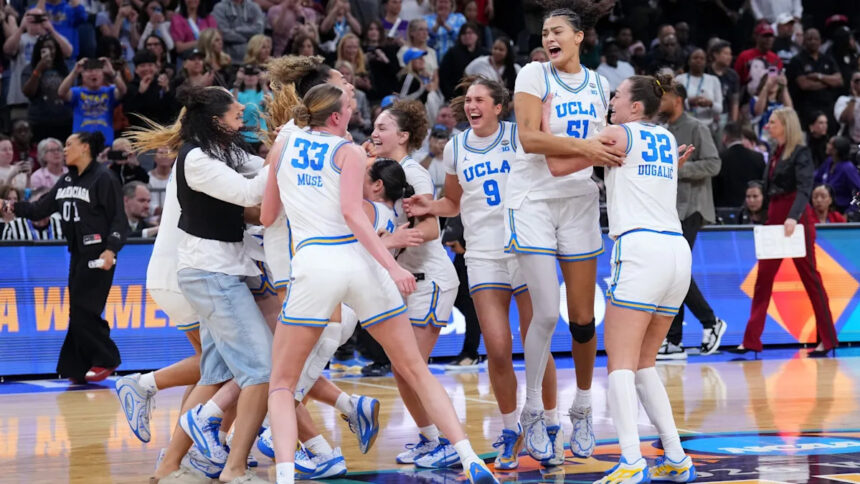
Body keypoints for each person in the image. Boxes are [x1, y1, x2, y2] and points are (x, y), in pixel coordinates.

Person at [260, 83, 497, 484]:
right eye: (350, 108)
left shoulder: (282, 148)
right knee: (415, 370)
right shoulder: (348, 152)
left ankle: (285, 476)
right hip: (358, 265)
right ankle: (469, 456)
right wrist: (392, 266)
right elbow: (354, 215)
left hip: (315, 264)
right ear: (336, 117)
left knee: (281, 384)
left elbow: (267, 216)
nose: (355, 116)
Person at [404, 76, 560, 469]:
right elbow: (454, 204)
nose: (471, 106)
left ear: (498, 106)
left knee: (536, 342)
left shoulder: (518, 135)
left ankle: (550, 425)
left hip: (527, 244)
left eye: (479, 100)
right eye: (467, 100)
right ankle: (511, 430)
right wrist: (429, 204)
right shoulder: (456, 146)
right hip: (484, 254)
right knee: (497, 347)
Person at [135, 87, 271, 483]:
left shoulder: (223, 151)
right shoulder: (195, 158)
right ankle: (233, 467)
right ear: (215, 120)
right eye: (235, 112)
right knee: (261, 371)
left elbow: (258, 164)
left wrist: (281, 154)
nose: (242, 115)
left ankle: (169, 465)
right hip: (210, 276)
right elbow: (249, 191)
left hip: (220, 273)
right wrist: (282, 156)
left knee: (215, 375)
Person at [507, 0, 619, 465]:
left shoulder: (599, 83)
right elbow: (530, 140)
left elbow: (604, 151)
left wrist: (589, 150)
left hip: (578, 201)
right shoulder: (533, 76)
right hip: (531, 201)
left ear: (579, 38)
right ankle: (532, 410)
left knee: (582, 321)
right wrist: (587, 147)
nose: (548, 38)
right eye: (544, 32)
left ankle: (584, 408)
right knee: (546, 315)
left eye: (557, 31)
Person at [587, 73, 697, 484]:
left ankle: (631, 460)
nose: (611, 100)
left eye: (617, 95)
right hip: (675, 251)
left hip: (640, 249)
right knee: (644, 362)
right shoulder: (666, 139)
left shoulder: (616, 133)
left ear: (635, 107)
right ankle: (676, 456)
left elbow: (564, 160)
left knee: (619, 363)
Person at [366, 99, 462, 467]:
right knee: (403, 369)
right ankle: (430, 438)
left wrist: (388, 238)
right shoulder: (380, 170)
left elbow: (431, 228)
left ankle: (451, 441)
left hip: (430, 280)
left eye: (383, 128)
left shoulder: (414, 175)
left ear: (403, 136)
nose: (375, 133)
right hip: (407, 283)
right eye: (374, 127)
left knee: (413, 369)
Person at [2, 131, 126, 383]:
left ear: (85, 147)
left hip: (98, 253)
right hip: (77, 253)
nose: (65, 150)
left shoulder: (104, 178)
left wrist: (111, 250)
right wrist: (12, 206)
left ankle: (107, 358)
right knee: (77, 310)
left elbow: (119, 219)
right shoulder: (66, 179)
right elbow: (40, 209)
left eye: (69, 145)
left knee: (85, 309)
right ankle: (75, 367)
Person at [731, 107, 838, 357]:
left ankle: (828, 340)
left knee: (811, 279)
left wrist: (792, 217)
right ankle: (751, 340)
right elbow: (770, 190)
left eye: (774, 122)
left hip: (796, 218)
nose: (768, 126)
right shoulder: (775, 153)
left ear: (786, 125)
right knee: (763, 279)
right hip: (775, 218)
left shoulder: (800, 153)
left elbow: (804, 188)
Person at [657, 81, 727, 359]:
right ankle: (674, 341)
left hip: (692, 208)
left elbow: (714, 163)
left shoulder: (697, 127)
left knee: (676, 272)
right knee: (673, 273)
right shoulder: (662, 129)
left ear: (678, 99)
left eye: (663, 97)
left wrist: (679, 167)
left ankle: (711, 322)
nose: (659, 101)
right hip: (670, 209)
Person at [4, 8, 73, 108]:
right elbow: (8, 49)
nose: (36, 22)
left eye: (39, 18)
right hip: (20, 98)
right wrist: (21, 28)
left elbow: (68, 52)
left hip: (47, 100)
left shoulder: (52, 41)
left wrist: (51, 29)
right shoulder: (20, 38)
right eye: (31, 18)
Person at [59, 57, 126, 146]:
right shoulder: (77, 92)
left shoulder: (110, 91)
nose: (93, 73)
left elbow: (123, 91)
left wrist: (111, 72)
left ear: (102, 74)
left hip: (105, 144)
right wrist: (74, 72)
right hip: (82, 145)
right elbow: (61, 93)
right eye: (89, 71)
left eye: (97, 70)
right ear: (82, 75)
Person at [786, 28, 842, 127]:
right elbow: (804, 85)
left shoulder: (827, 58)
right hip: (806, 107)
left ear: (820, 41)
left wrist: (819, 77)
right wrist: (828, 83)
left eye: (816, 39)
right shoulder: (797, 60)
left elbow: (839, 80)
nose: (813, 42)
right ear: (804, 41)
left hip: (827, 106)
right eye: (809, 39)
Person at [22, 35, 72, 143]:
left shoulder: (63, 68)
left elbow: (71, 91)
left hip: (64, 120)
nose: (49, 52)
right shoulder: (29, 69)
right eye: (45, 48)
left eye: (52, 48)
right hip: (39, 121)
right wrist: (38, 70)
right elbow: (28, 92)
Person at [713, 122, 766, 208]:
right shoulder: (758, 157)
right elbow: (763, 184)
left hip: (725, 209)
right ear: (741, 137)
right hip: (753, 209)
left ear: (725, 137)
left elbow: (715, 188)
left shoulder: (720, 158)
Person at [123, 50, 178, 128]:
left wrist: (167, 91)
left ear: (156, 67)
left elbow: (173, 112)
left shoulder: (162, 84)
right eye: (142, 66)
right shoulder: (131, 87)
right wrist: (140, 93)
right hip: (140, 132)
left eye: (150, 65)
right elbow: (130, 115)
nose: (147, 69)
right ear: (136, 69)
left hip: (161, 130)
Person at [675, 48, 722, 130]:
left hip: (707, 126)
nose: (698, 61)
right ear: (689, 61)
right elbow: (674, 103)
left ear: (706, 62)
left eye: (702, 58)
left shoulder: (713, 80)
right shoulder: (680, 79)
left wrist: (710, 103)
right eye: (695, 58)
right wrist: (689, 102)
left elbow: (719, 109)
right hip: (684, 125)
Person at [437, 22, 485, 100]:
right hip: (457, 96)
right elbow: (444, 77)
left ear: (477, 35)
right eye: (464, 33)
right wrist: (451, 97)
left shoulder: (485, 54)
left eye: (470, 33)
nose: (467, 36)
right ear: (460, 36)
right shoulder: (452, 53)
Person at [814, 136, 860, 213]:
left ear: (836, 150)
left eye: (830, 144)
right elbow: (816, 178)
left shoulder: (847, 168)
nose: (827, 145)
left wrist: (850, 212)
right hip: (825, 210)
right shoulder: (829, 161)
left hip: (842, 211)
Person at [735, 22, 783, 87]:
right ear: (756, 37)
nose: (768, 39)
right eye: (765, 36)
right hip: (747, 94)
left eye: (771, 36)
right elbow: (736, 79)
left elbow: (775, 81)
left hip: (768, 94)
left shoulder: (775, 59)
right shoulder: (744, 56)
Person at [751, 66, 792, 139]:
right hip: (761, 139)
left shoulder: (781, 102)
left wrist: (784, 86)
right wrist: (766, 87)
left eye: (776, 81)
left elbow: (790, 111)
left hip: (779, 139)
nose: (773, 83)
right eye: (771, 80)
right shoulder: (756, 99)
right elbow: (758, 112)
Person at [707, 40, 740, 124]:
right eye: (725, 53)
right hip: (705, 114)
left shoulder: (733, 75)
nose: (729, 57)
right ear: (715, 55)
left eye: (730, 54)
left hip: (724, 116)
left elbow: (735, 101)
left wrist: (734, 121)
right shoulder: (706, 71)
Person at [834, 71, 860, 144]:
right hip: (849, 143)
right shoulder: (843, 99)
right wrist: (854, 99)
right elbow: (846, 119)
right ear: (851, 83)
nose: (859, 83)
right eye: (857, 81)